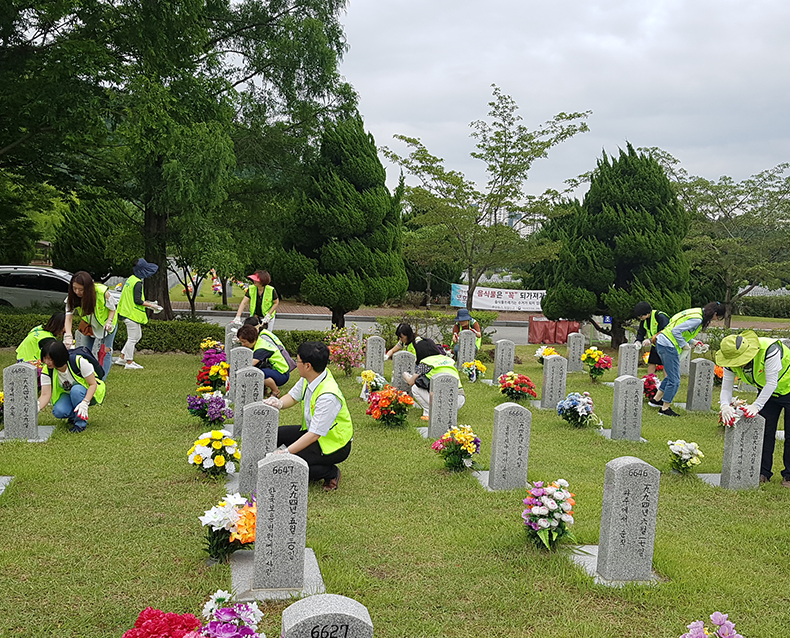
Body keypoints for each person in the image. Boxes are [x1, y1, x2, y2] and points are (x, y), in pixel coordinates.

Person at [263, 341, 352, 491]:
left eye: (297, 361)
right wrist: (278, 403)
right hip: (313, 431)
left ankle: (330, 472)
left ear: (308, 366)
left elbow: (314, 435)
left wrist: (287, 452)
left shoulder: (328, 396)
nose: (296, 365)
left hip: (334, 444)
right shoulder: (311, 377)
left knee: (290, 464)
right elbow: (292, 397)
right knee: (276, 435)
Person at [716, 330, 790, 487]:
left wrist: (756, 405)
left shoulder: (769, 350)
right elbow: (727, 388)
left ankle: (789, 476)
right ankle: (762, 471)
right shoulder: (730, 361)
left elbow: (772, 382)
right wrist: (724, 406)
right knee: (765, 431)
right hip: (768, 393)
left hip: (784, 387)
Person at [650, 302, 725, 417]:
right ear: (714, 314)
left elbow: (680, 330)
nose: (716, 319)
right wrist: (684, 345)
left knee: (670, 375)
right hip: (669, 345)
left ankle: (656, 400)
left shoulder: (695, 312)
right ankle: (665, 408)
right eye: (717, 317)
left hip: (663, 341)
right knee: (675, 380)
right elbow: (675, 332)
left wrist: (693, 342)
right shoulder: (697, 319)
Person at [38, 339, 106, 433]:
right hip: (68, 394)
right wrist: (36, 408)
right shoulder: (47, 370)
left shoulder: (79, 362)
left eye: (50, 359)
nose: (46, 362)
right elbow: (45, 395)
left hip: (88, 393)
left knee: (76, 390)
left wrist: (85, 403)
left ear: (59, 357)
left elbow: (92, 384)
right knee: (58, 411)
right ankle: (73, 417)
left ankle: (80, 424)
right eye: (45, 358)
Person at [63, 271, 119, 379]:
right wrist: (68, 335)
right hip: (89, 326)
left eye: (81, 289)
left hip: (107, 326)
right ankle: (86, 378)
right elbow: (68, 317)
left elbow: (113, 309)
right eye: (74, 288)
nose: (77, 292)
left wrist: (109, 322)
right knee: (83, 351)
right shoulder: (72, 297)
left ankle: (101, 381)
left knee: (105, 352)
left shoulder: (102, 292)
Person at [114, 258, 162, 370]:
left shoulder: (131, 279)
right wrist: (152, 306)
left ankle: (122, 357)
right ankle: (129, 362)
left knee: (137, 336)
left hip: (126, 312)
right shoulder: (138, 283)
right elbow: (138, 300)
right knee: (132, 338)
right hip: (131, 314)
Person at [403, 338, 466, 422]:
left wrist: (405, 375)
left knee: (415, 388)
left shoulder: (425, 363)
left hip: (441, 400)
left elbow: (411, 382)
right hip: (459, 399)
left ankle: (429, 412)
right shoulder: (448, 360)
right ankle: (448, 412)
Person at [236, 324, 291, 398]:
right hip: (274, 370)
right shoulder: (258, 342)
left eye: (244, 342)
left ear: (252, 339)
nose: (242, 344)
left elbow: (250, 364)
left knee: (259, 373)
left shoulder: (261, 348)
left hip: (282, 374)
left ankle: (276, 391)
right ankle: (263, 390)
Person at [632, 301, 670, 376]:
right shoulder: (644, 320)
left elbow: (664, 331)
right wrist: (638, 341)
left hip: (666, 344)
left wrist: (650, 340)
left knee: (666, 364)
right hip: (655, 344)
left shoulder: (660, 317)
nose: (640, 318)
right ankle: (649, 381)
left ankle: (667, 384)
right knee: (652, 362)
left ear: (647, 313)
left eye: (641, 316)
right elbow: (641, 332)